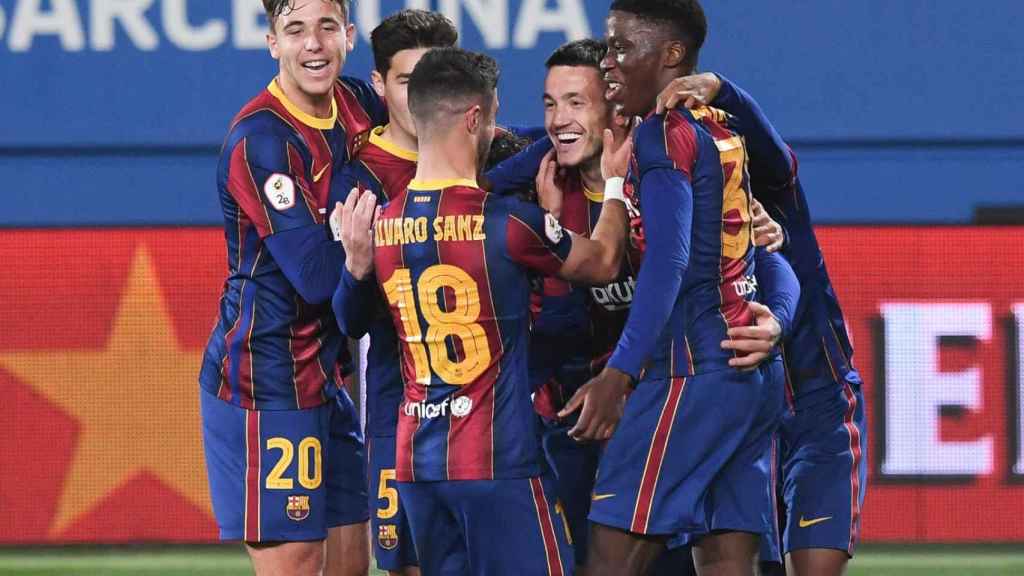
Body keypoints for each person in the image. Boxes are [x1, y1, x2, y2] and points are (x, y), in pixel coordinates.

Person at [338, 45, 632, 576]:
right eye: (493, 117)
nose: (496, 131)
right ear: (475, 117)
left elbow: (350, 322)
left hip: (416, 466)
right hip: (497, 461)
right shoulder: (507, 223)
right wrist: (613, 182)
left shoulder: (381, 225)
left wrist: (355, 271)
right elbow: (606, 261)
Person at [559, 1, 783, 574]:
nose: (607, 63)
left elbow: (669, 262)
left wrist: (620, 372)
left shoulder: (663, 135)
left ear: (671, 55)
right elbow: (757, 245)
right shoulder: (720, 128)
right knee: (725, 563)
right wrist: (776, 314)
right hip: (745, 378)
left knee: (607, 561)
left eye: (620, 48)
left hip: (689, 373)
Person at [198, 1, 385, 574]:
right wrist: (382, 221)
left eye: (327, 27)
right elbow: (317, 278)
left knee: (355, 561)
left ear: (349, 36)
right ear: (272, 42)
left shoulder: (357, 102)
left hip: (326, 378)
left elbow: (444, 130)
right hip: (267, 380)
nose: (314, 44)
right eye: (295, 30)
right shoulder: (263, 141)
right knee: (300, 562)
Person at [657, 72, 868, 576]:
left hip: (818, 414)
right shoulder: (682, 236)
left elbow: (774, 155)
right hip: (742, 426)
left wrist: (722, 89)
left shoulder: (780, 210)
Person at [330, 10, 458, 576]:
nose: (425, 95)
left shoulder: (492, 156)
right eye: (408, 82)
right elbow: (350, 321)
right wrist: (356, 269)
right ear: (380, 86)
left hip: (493, 416)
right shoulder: (358, 178)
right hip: (397, 410)